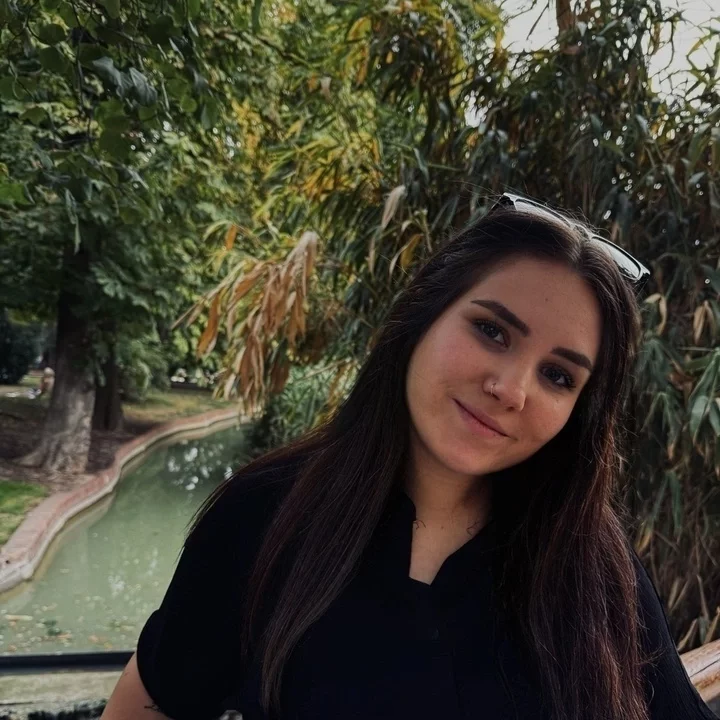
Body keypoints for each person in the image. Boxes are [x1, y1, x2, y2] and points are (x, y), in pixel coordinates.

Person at [101, 193, 718, 720]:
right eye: (492, 331)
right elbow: (155, 700)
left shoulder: (591, 563)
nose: (511, 390)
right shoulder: (265, 515)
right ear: (423, 316)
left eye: (558, 376)